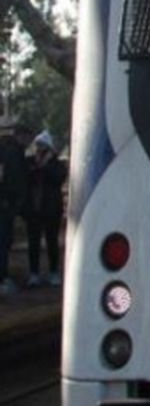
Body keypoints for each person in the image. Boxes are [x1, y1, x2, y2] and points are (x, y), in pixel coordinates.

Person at [24, 131, 65, 287]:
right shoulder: (30, 162)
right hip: (34, 210)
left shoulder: (56, 164)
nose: (39, 149)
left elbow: (59, 178)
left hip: (51, 210)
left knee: (52, 241)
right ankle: (34, 273)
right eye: (37, 146)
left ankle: (53, 272)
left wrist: (45, 167)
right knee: (33, 242)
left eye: (42, 146)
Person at [0, 118, 26, 295]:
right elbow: (14, 181)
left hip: (5, 202)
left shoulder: (7, 151)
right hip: (5, 204)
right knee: (2, 242)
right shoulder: (12, 152)